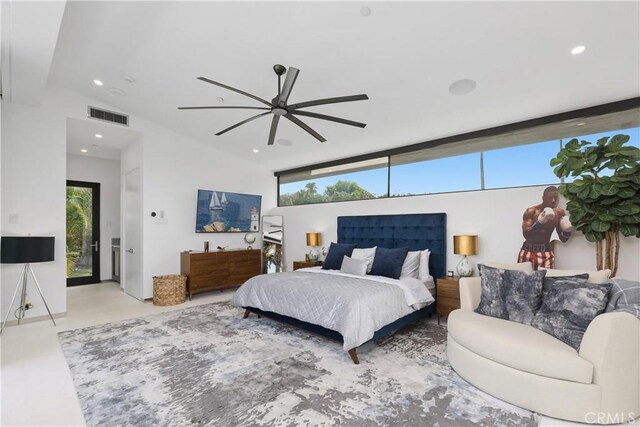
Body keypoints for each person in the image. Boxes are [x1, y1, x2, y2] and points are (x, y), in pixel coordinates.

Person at [518, 186, 573, 269]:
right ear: (543, 198)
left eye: (556, 197)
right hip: (527, 252)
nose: (553, 200)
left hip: (546, 254)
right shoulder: (531, 211)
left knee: (546, 280)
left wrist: (567, 231)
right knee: (522, 280)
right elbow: (526, 234)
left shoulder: (559, 213)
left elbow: (563, 239)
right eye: (550, 198)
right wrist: (539, 223)